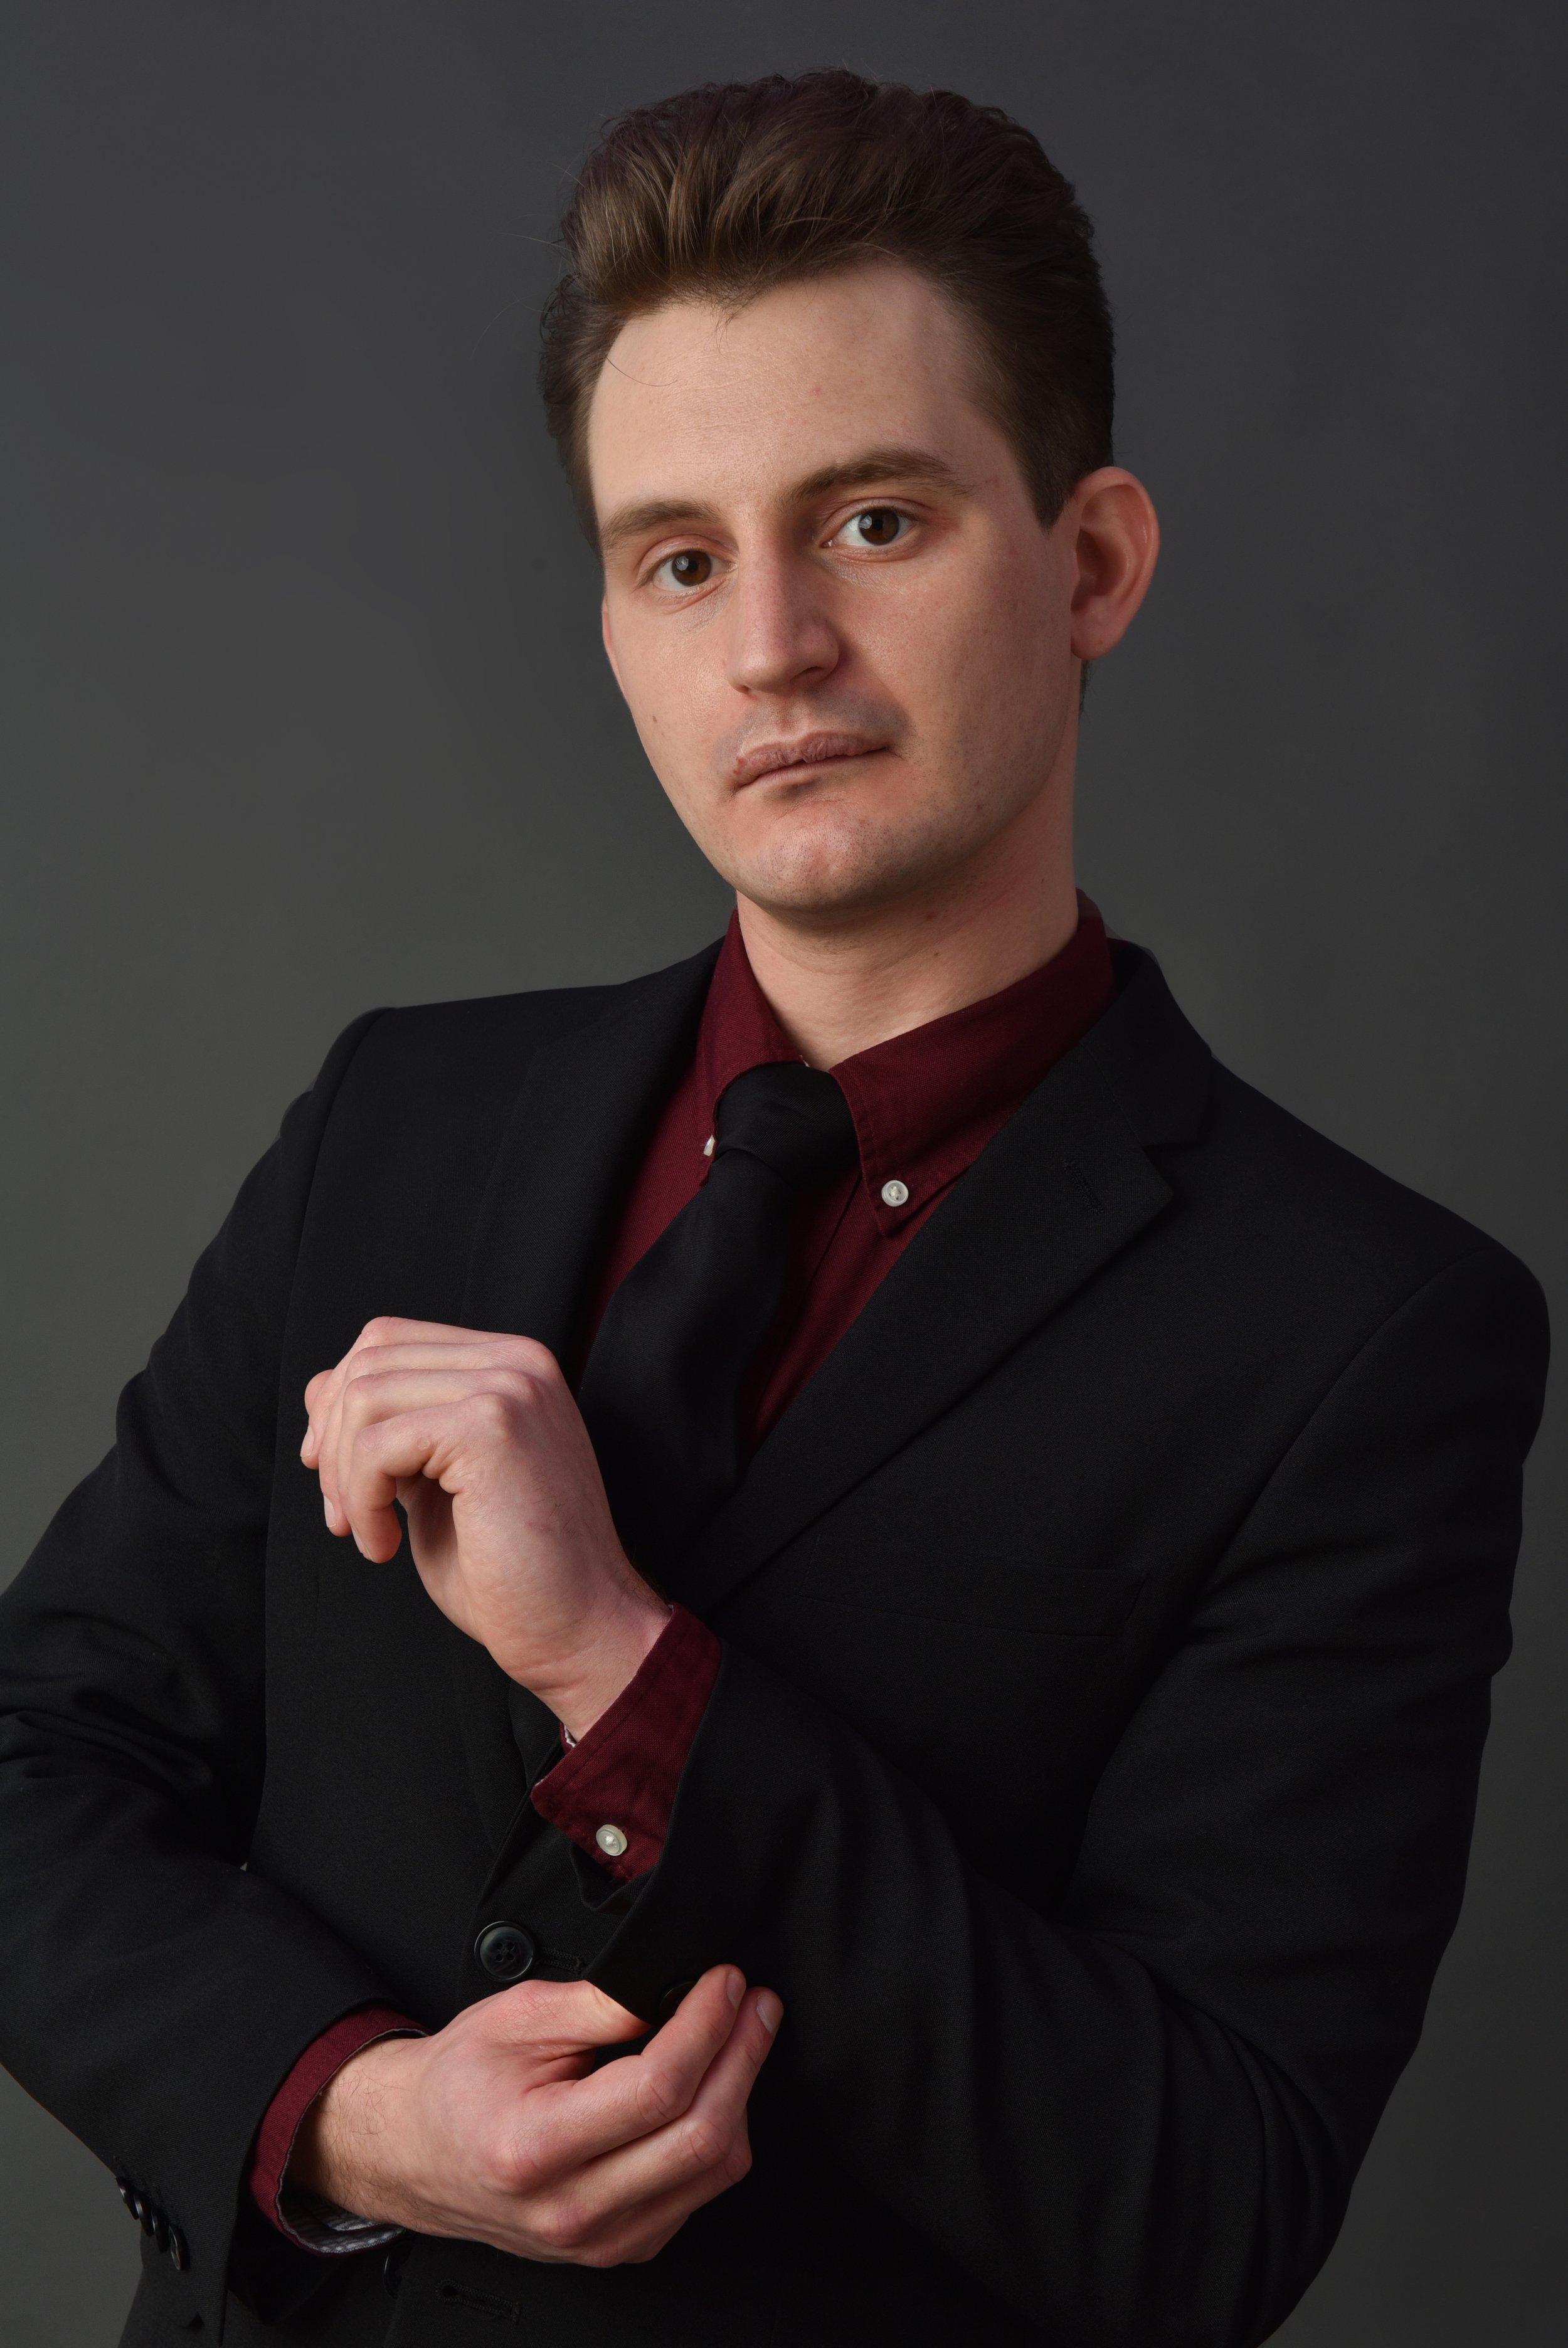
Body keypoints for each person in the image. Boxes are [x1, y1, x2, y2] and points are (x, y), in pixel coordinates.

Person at [0, 68, 1548, 2348]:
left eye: (878, 522)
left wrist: (621, 1669)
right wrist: (339, 2118)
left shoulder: (1367, 1328)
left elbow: (1203, 2202)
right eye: (682, 557)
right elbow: (37, 1764)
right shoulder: (392, 1123)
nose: (771, 651)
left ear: (1092, 560)